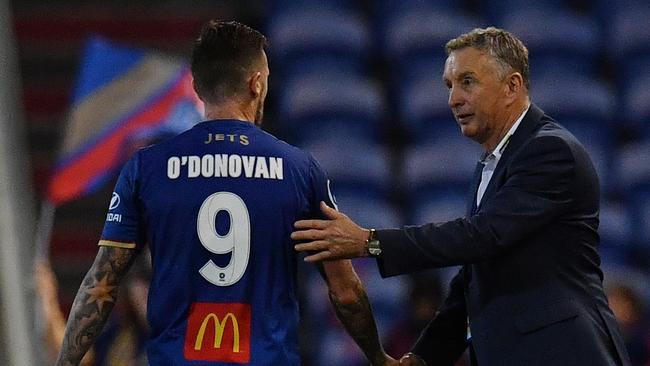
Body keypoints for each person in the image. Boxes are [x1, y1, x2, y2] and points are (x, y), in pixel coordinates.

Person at [56, 20, 396, 366]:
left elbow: (103, 283)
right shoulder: (299, 169)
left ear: (199, 88)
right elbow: (345, 291)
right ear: (257, 83)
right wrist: (379, 358)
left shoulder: (146, 168)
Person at [293, 27, 631, 366]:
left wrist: (371, 241)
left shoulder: (550, 150)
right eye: (449, 85)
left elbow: (484, 236)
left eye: (467, 81)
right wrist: (423, 358)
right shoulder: (492, 164)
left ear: (512, 86)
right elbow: (474, 276)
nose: (453, 98)